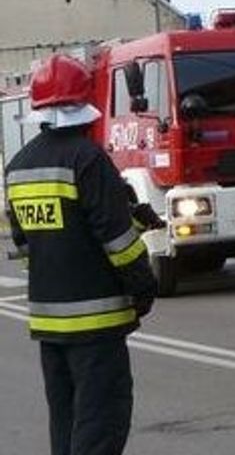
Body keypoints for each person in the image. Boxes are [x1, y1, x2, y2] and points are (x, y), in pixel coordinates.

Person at [3, 54, 158, 455]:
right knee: (100, 426)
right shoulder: (88, 160)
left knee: (67, 425)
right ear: (82, 108)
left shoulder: (18, 168)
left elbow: (27, 244)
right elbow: (117, 242)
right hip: (97, 324)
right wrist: (143, 287)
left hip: (49, 323)